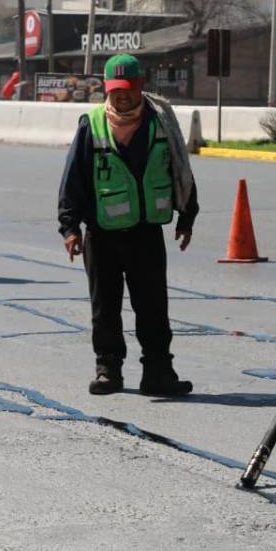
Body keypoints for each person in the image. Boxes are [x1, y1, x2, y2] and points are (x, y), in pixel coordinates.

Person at [57, 54, 198, 397]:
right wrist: (70, 228)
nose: (122, 97)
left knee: (153, 307)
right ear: (107, 90)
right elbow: (72, 179)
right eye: (116, 90)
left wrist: (187, 216)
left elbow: (181, 170)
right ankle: (108, 371)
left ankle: (159, 373)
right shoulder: (92, 124)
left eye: (129, 90)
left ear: (140, 87)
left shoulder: (160, 122)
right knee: (105, 308)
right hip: (102, 235)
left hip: (146, 233)